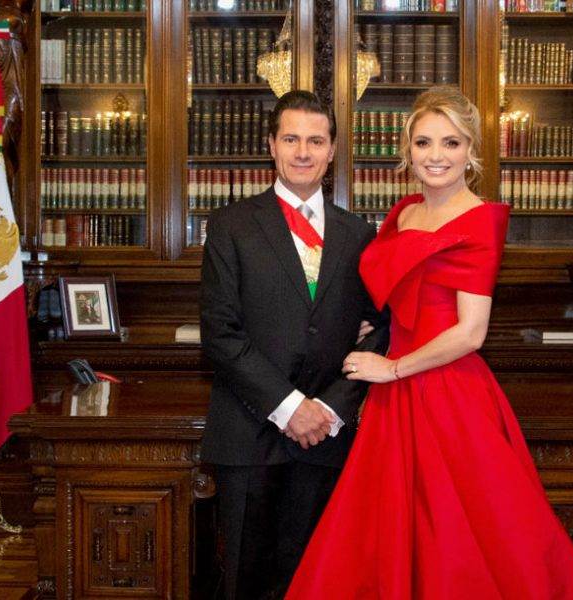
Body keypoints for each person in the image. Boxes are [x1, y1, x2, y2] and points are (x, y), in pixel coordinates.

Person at [286, 87, 573, 599]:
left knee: (460, 535)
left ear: (471, 150)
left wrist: (391, 368)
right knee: (385, 530)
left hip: (447, 391)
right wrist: (373, 330)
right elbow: (388, 294)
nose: (437, 156)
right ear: (407, 151)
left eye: (451, 143)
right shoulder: (403, 213)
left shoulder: (480, 219)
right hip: (394, 393)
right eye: (424, 142)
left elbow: (471, 333)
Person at [200, 90, 389, 600]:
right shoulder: (230, 226)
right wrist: (289, 408)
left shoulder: (360, 235)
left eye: (315, 141)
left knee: (320, 583)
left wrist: (328, 408)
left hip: (328, 438)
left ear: (332, 151)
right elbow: (220, 333)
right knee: (245, 584)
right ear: (271, 145)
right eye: (291, 139)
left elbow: (381, 329)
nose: (303, 152)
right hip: (249, 434)